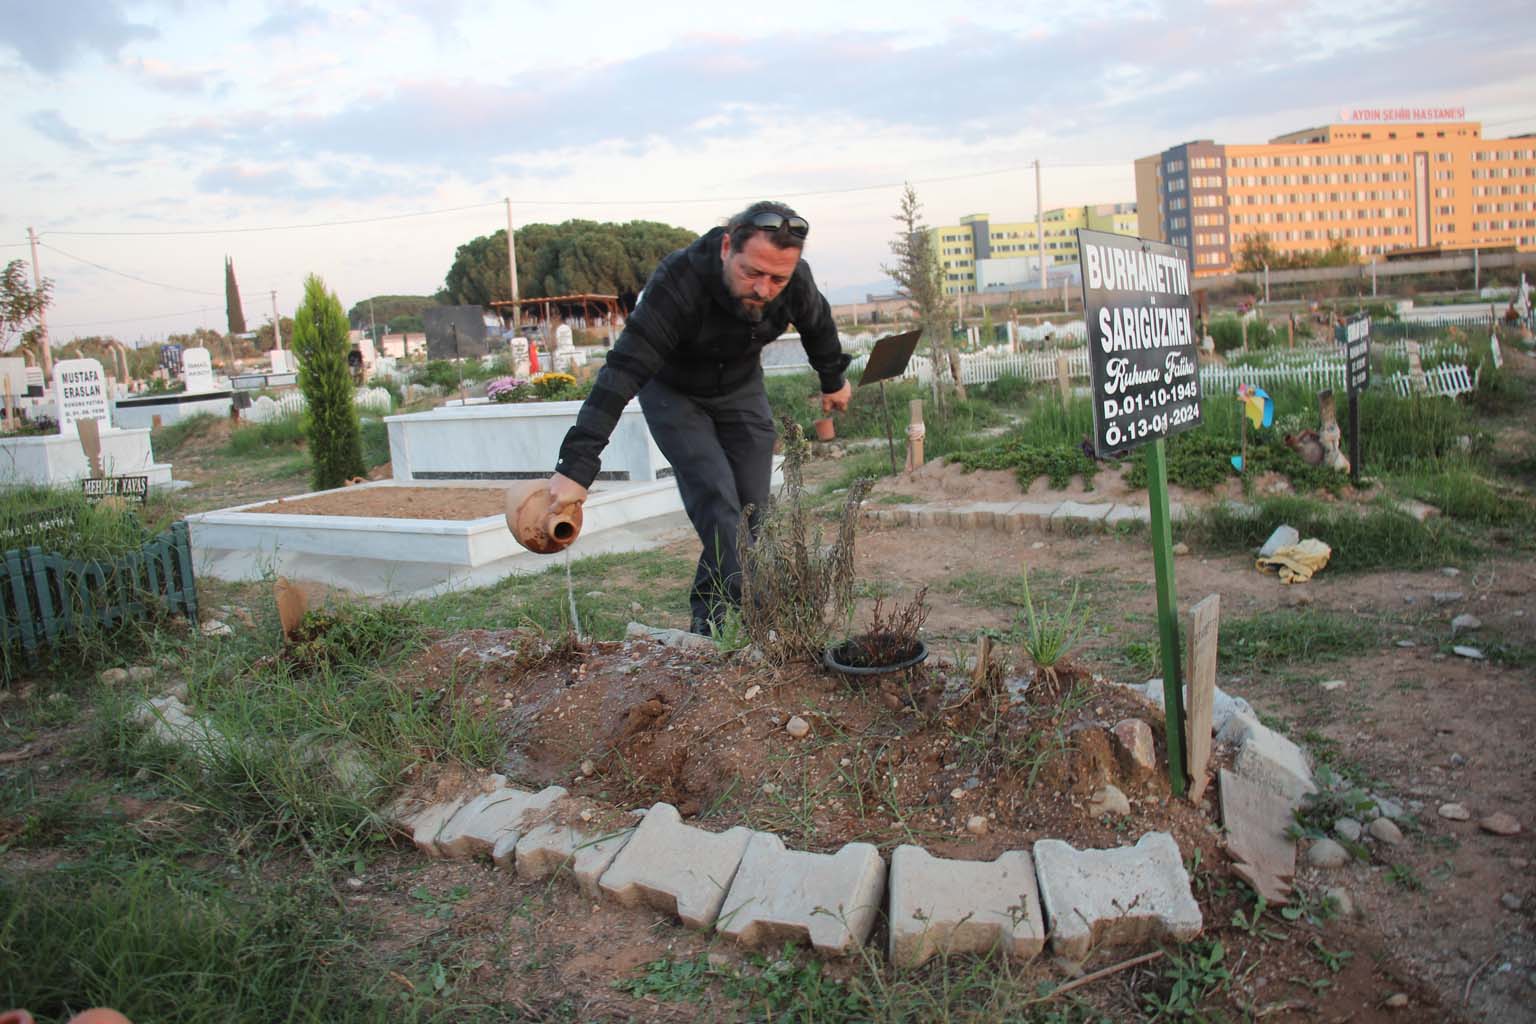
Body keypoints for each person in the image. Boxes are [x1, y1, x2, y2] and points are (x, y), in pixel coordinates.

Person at [544, 200, 851, 635]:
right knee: (716, 500)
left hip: (740, 389)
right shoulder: (679, 281)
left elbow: (817, 324)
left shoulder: (794, 281)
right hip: (674, 393)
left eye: (776, 278)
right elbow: (622, 372)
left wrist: (833, 379)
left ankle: (708, 617)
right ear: (728, 247)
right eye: (752, 273)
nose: (764, 289)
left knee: (750, 512)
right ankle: (766, 621)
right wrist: (574, 469)